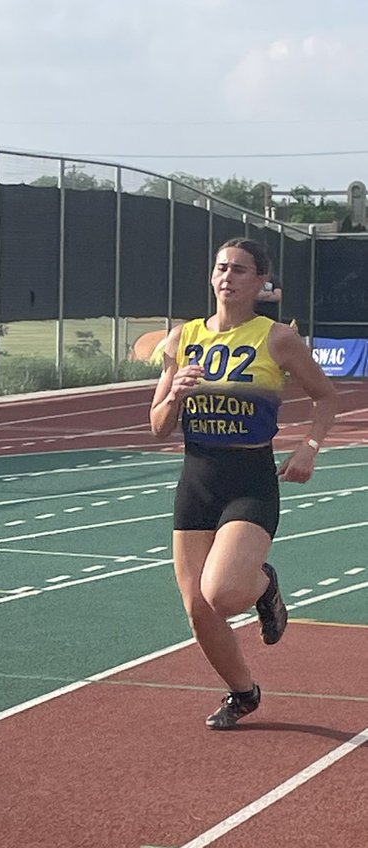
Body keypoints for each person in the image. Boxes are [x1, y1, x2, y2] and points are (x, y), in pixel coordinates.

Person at [149, 238, 337, 729]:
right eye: (220, 268)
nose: (227, 277)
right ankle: (243, 693)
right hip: (197, 477)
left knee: (224, 593)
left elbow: (325, 397)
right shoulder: (182, 337)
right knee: (197, 609)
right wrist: (176, 396)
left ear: (259, 282)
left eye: (239, 270)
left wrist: (309, 447)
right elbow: (157, 424)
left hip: (249, 477)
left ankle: (264, 585)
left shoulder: (277, 339)